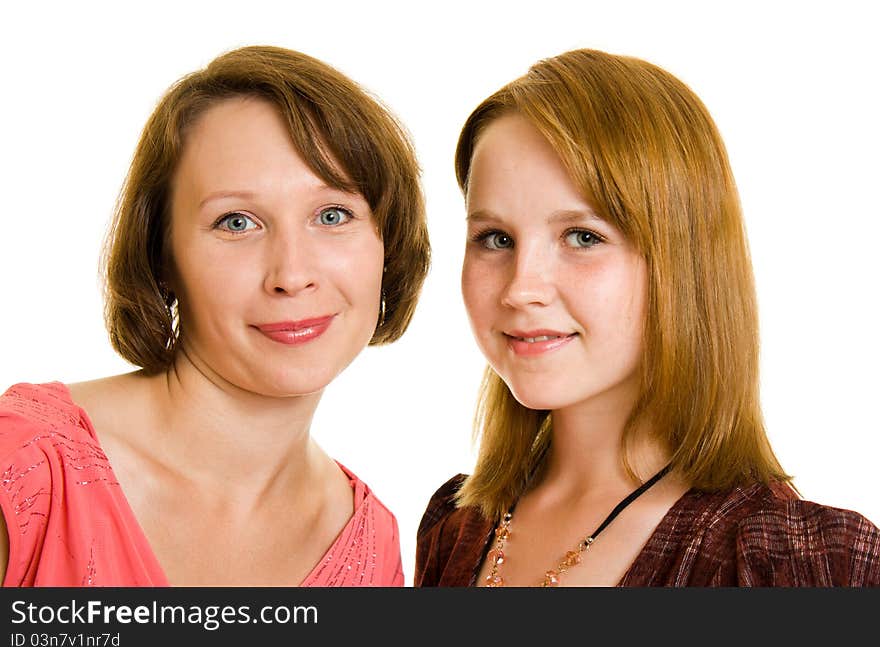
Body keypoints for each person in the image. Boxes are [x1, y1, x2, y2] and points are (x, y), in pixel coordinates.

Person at [415, 48, 880, 587]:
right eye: (495, 239)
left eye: (583, 237)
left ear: (684, 261)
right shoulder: (454, 526)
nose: (522, 288)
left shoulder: (802, 563)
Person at [0, 45, 430, 587]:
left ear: (387, 244)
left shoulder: (371, 545)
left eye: (332, 214)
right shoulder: (24, 468)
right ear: (161, 255)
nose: (292, 274)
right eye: (236, 223)